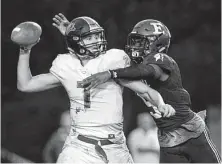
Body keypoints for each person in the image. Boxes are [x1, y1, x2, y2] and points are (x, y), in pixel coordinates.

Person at [17, 14, 175, 163]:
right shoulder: (66, 65)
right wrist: (25, 50)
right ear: (76, 41)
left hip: (115, 147)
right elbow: (26, 85)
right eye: (90, 37)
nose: (97, 40)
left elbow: (145, 90)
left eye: (98, 36)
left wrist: (161, 104)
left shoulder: (112, 60)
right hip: (79, 147)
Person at [80, 19, 221, 163]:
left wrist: (111, 73)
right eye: (134, 41)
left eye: (140, 42)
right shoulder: (131, 72)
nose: (135, 46)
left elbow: (146, 71)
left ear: (157, 43)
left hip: (192, 134)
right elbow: (140, 84)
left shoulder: (162, 60)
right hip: (168, 141)